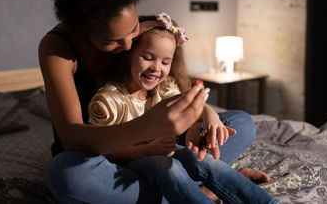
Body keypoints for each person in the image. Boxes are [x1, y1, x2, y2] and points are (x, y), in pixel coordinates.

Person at [39, 0, 269, 203]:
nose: (128, 45)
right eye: (111, 41)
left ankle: (184, 185)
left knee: (240, 123)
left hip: (164, 146)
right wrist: (148, 130)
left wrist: (206, 117)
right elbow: (72, 138)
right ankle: (198, 187)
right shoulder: (58, 48)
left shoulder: (151, 28)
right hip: (103, 155)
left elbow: (182, 91)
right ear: (81, 29)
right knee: (64, 174)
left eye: (133, 28)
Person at [88, 13, 279, 204]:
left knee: (202, 157)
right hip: (133, 161)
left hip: (165, 150)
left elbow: (190, 102)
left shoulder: (164, 87)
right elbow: (105, 151)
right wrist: (148, 149)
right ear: (129, 55)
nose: (156, 68)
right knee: (169, 167)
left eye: (165, 62)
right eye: (147, 58)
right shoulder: (109, 101)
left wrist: (210, 118)